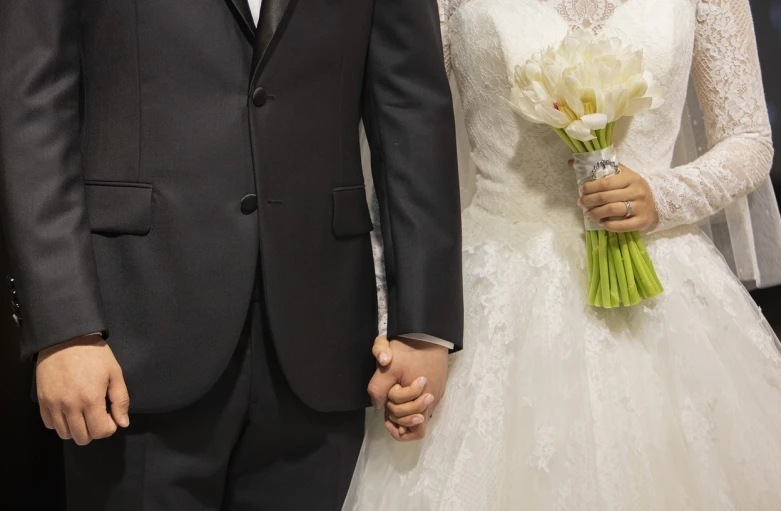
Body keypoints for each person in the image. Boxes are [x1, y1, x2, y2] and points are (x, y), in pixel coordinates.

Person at [0, 0, 463, 509]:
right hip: (129, 341)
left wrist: (423, 326)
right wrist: (64, 326)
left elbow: (412, 109)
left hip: (322, 347)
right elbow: (32, 104)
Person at [346, 0, 781, 509]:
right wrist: (403, 325)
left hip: (662, 284)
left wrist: (663, 196)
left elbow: (749, 138)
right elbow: (402, 143)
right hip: (494, 285)